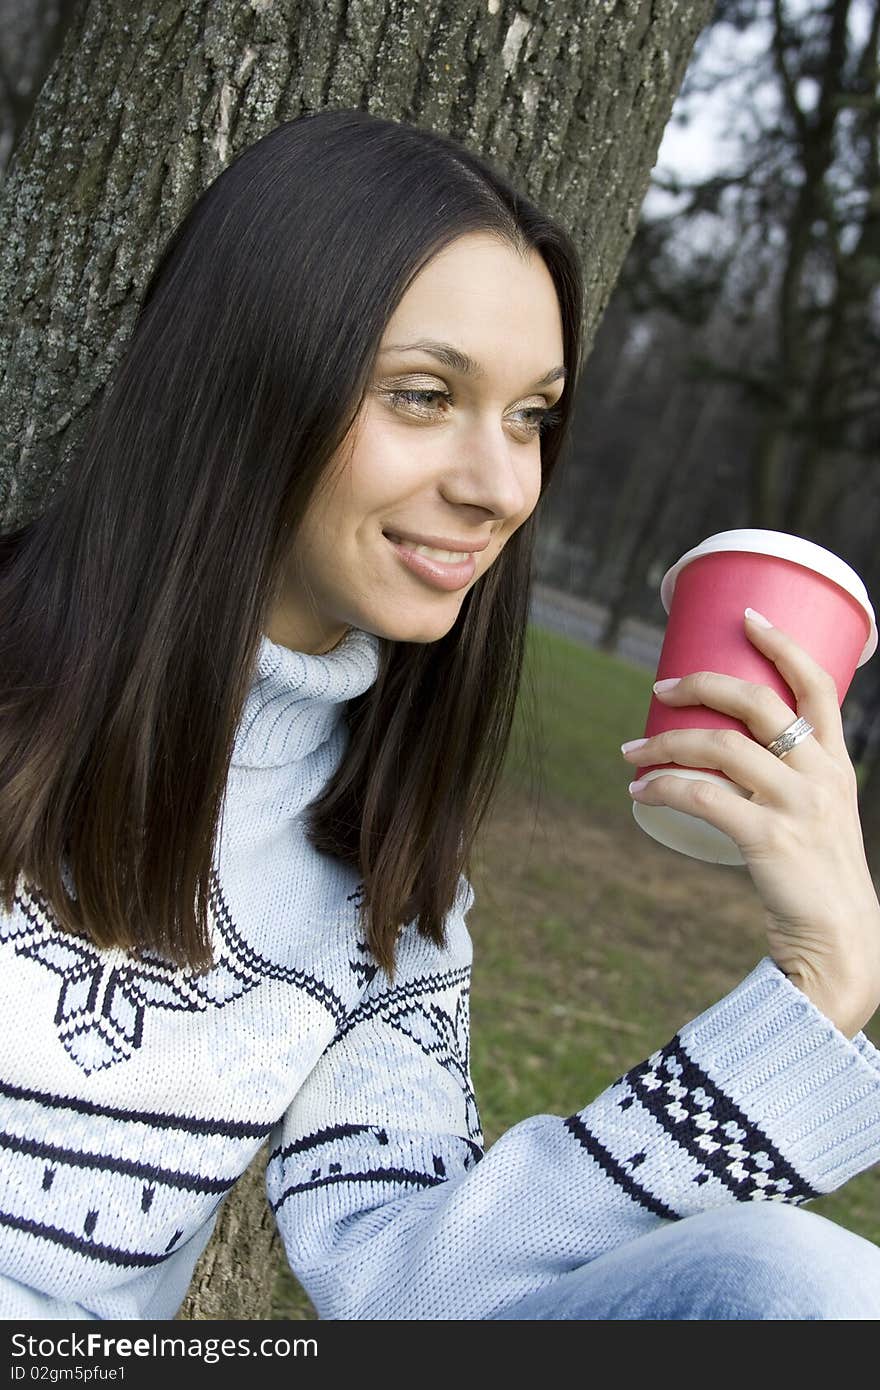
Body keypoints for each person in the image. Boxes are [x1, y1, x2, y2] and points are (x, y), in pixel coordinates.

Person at [0, 108, 878, 1323]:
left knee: (801, 1286)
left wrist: (816, 982)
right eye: (423, 395)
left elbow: (412, 1277)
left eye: (530, 415)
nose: (502, 483)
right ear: (248, 380)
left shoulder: (373, 854)